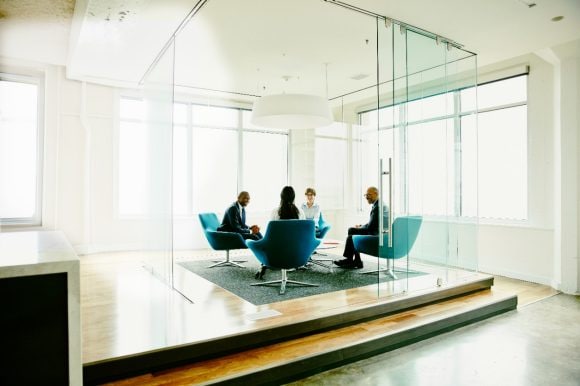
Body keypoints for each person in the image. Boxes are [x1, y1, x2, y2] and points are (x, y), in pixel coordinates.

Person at [257, 186, 305, 279]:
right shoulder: (300, 212)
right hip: (296, 253)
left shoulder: (275, 212)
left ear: (281, 197)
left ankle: (264, 264)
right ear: (294, 197)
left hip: (278, 252)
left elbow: (271, 235)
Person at [334, 186, 387, 269]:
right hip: (376, 231)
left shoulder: (378, 207)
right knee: (352, 231)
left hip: (376, 234)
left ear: (376, 194)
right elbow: (373, 223)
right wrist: (361, 226)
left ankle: (352, 260)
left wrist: (361, 227)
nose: (366, 197)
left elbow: (371, 227)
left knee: (351, 234)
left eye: (369, 194)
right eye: (366, 195)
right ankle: (355, 260)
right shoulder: (378, 204)